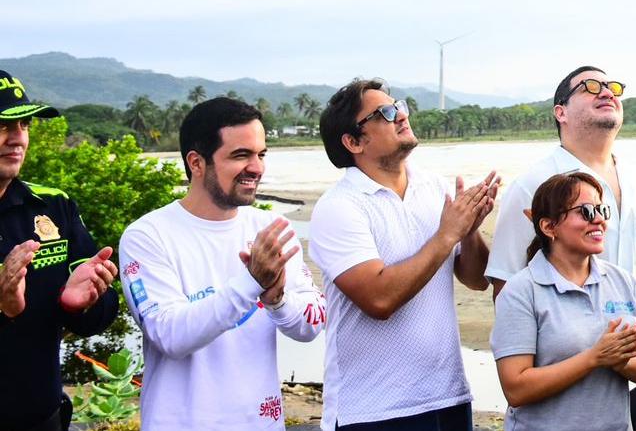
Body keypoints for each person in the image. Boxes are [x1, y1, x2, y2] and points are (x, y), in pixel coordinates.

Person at [488, 66, 636, 431]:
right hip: (557, 385)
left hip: (630, 377)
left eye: (612, 86)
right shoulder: (532, 186)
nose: (606, 91)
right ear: (560, 111)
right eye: (590, 87)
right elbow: (506, 288)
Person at [119, 97, 326, 430]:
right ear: (197, 163)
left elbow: (311, 327)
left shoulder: (270, 231)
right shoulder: (148, 236)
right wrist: (252, 283)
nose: (256, 167)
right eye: (240, 155)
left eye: (261, 154)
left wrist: (277, 300)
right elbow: (169, 335)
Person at [310, 79, 500, 431]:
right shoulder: (339, 207)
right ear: (353, 141)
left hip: (448, 395)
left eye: (399, 105)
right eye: (384, 113)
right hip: (373, 409)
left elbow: (475, 279)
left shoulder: (434, 187)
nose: (400, 115)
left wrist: (470, 228)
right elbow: (379, 298)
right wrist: (447, 234)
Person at [492, 171, 636, 431]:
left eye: (601, 210)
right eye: (585, 212)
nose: (598, 221)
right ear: (549, 227)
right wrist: (594, 357)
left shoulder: (622, 282)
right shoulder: (521, 291)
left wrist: (622, 362)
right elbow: (516, 388)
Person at [0, 71, 119, 431]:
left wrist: (80, 303)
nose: (17, 137)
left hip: (42, 417)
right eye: (3, 124)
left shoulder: (53, 206)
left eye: (24, 124)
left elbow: (101, 311)